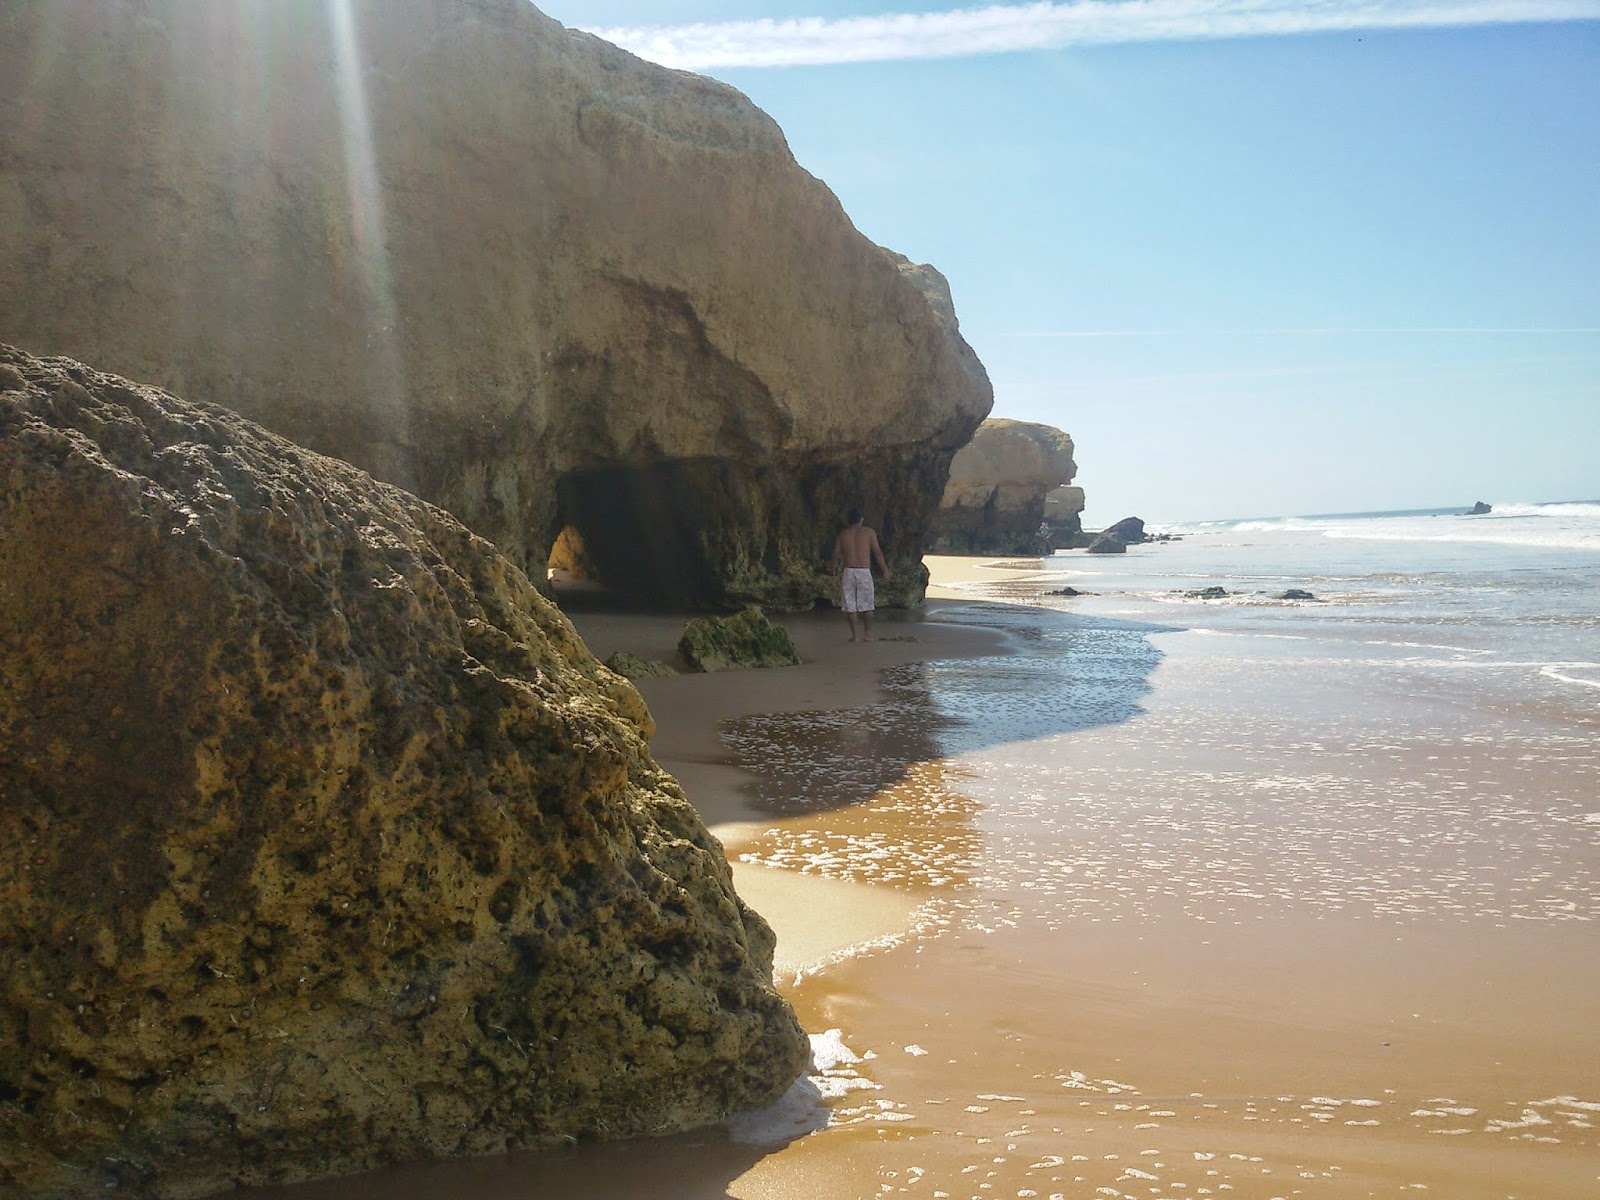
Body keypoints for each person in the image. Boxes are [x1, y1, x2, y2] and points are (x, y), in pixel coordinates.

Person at [831, 507, 890, 642]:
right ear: (861, 519)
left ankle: (854, 636)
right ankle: (867, 635)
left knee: (850, 606)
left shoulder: (843, 534)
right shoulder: (869, 533)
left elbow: (835, 554)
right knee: (867, 605)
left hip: (848, 571)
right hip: (863, 571)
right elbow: (877, 553)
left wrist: (832, 572)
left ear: (848, 520)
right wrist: (885, 570)